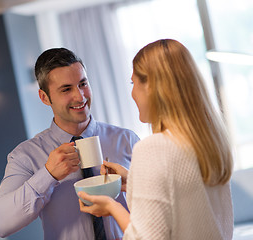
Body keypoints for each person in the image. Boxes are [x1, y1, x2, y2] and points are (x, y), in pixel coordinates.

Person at [78, 39, 234, 239]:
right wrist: (135, 181)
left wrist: (112, 207)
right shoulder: (211, 142)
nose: (132, 92)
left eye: (133, 82)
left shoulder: (153, 148)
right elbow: (186, 204)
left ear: (151, 85)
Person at [0, 47, 140, 240]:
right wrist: (48, 175)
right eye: (66, 89)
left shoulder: (126, 140)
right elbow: (0, 224)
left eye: (83, 84)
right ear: (45, 98)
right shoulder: (25, 156)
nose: (80, 96)